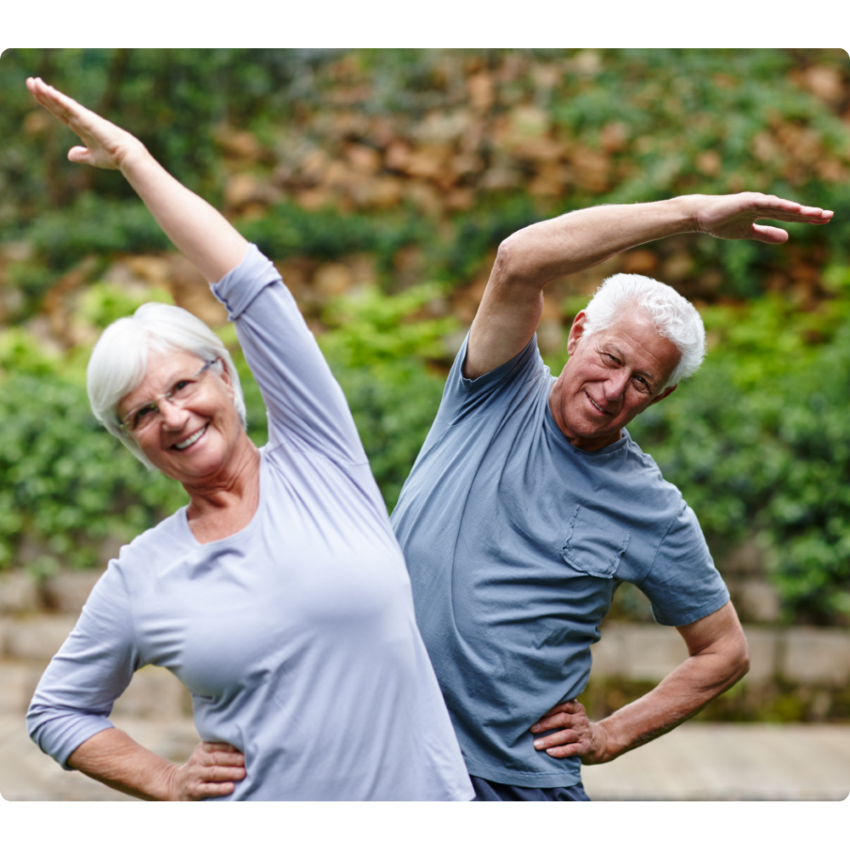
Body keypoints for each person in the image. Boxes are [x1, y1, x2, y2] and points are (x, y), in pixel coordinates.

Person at [23, 78, 474, 803]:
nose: (171, 417)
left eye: (181, 387)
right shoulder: (143, 578)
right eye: (140, 415)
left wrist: (136, 161)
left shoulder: (320, 460)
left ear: (226, 379)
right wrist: (164, 778)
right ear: (132, 442)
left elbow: (251, 286)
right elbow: (56, 711)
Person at [390, 191, 833, 802]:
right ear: (578, 335)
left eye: (642, 381)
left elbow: (724, 653)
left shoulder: (653, 508)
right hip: (388, 749)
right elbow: (519, 258)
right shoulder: (495, 388)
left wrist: (609, 736)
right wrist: (691, 214)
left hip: (512, 781)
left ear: (660, 397)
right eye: (611, 357)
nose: (613, 389)